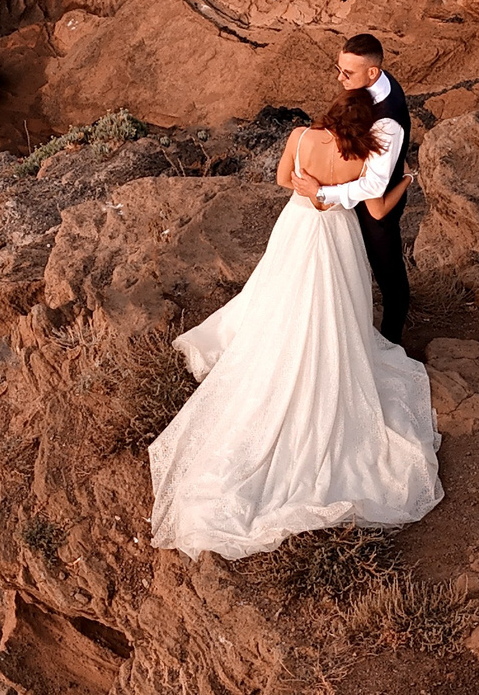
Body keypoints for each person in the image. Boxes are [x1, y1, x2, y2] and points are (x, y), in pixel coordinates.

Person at [145, 84, 444, 560]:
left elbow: (285, 181)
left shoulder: (301, 138)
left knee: (280, 292)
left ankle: (284, 347)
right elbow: (369, 204)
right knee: (336, 300)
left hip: (297, 226)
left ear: (330, 114)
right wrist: (368, 187)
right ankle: (328, 349)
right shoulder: (361, 158)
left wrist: (311, 191)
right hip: (336, 234)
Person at [286, 33, 423, 345]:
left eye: (347, 73)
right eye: (339, 68)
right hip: (350, 189)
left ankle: (391, 341)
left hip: (375, 204)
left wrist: (321, 192)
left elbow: (374, 183)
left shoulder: (387, 121)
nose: (340, 77)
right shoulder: (371, 88)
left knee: (389, 275)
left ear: (372, 73)